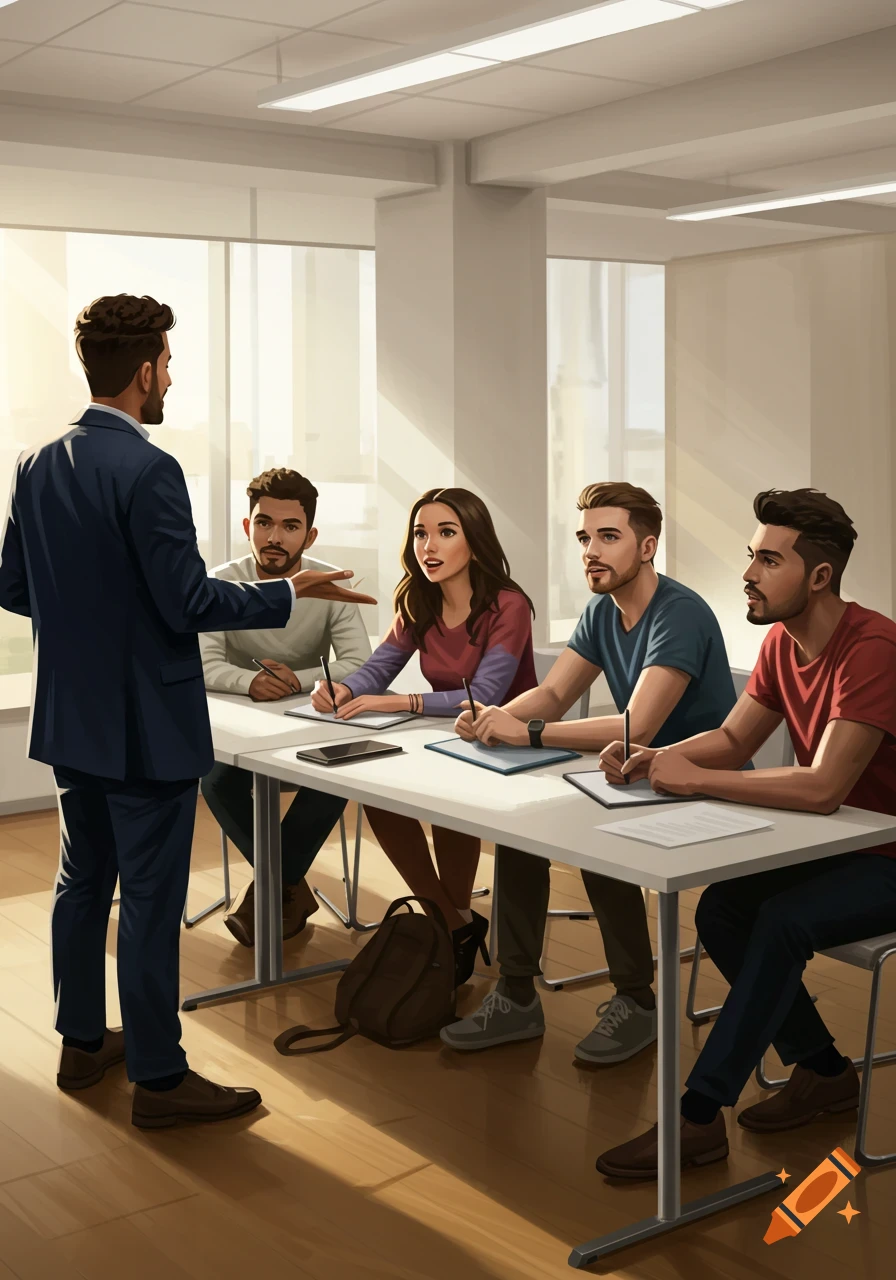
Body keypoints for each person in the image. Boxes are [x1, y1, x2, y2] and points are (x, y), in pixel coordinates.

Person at [0, 293, 374, 1129]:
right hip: (146, 729)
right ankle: (161, 1082)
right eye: (167, 363)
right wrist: (288, 590)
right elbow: (184, 601)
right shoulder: (148, 469)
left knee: (79, 883)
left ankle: (81, 1043)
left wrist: (93, 632)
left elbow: (15, 588)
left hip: (69, 716)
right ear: (142, 372)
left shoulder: (33, 460)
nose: (171, 376)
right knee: (151, 901)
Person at [594, 487, 896, 1180]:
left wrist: (693, 779)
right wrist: (654, 758)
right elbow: (733, 739)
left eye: (768, 560)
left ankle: (697, 1117)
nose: (749, 574)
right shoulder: (782, 645)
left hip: (887, 851)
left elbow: (823, 789)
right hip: (844, 846)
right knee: (724, 906)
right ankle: (824, 1070)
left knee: (783, 918)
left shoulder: (872, 648)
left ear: (819, 577)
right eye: (750, 557)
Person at [440, 481, 742, 1064]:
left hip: (704, 785)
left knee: (595, 833)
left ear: (648, 546)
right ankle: (517, 993)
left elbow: (637, 727)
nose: (591, 551)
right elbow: (553, 693)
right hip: (636, 777)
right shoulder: (602, 609)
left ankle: (637, 1001)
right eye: (585, 537)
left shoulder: (679, 614)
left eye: (609, 536)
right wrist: (495, 715)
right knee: (523, 825)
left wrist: (523, 732)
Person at [311, 486, 537, 985]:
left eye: (445, 533)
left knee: (445, 799)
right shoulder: (418, 601)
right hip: (445, 740)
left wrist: (399, 702)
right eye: (420, 534)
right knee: (376, 792)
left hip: (508, 746)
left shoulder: (509, 605)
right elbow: (378, 670)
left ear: (474, 542)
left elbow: (484, 696)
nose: (428, 546)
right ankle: (450, 920)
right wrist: (341, 688)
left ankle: (445, 927)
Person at [200, 466, 372, 947]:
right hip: (240, 729)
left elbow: (360, 662)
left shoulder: (329, 585)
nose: (274, 537)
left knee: (343, 771)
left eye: (290, 526)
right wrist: (251, 682)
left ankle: (271, 892)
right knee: (211, 777)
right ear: (247, 526)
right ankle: (287, 888)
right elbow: (204, 662)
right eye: (264, 523)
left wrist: (298, 679)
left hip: (311, 724)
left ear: (309, 534)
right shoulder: (221, 582)